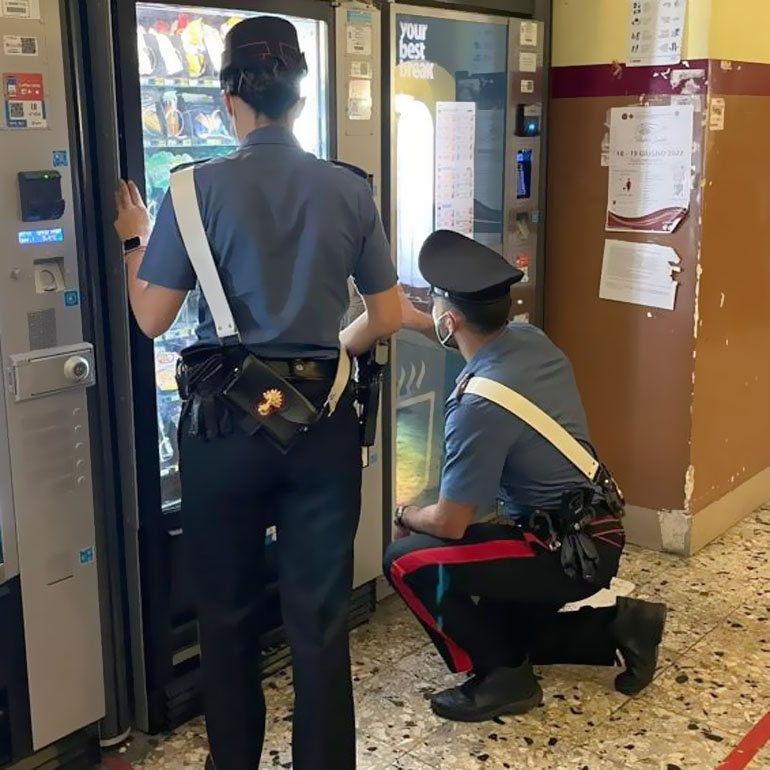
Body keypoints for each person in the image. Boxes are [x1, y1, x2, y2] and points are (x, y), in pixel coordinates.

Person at [113, 16, 401, 770]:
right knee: (321, 622)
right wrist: (332, 357)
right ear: (301, 99)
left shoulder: (190, 189)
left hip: (223, 432)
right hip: (323, 428)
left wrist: (134, 238)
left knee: (227, 618)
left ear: (227, 99)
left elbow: (151, 318)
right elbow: (388, 315)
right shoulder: (349, 189)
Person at [385, 230, 667, 723]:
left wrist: (404, 513)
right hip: (595, 530)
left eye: (433, 304)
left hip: (561, 552)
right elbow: (469, 335)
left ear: (451, 321)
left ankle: (503, 679)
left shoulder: (475, 409)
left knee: (406, 561)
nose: (430, 309)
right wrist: (411, 319)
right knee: (500, 631)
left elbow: (451, 523)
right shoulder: (528, 339)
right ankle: (624, 626)